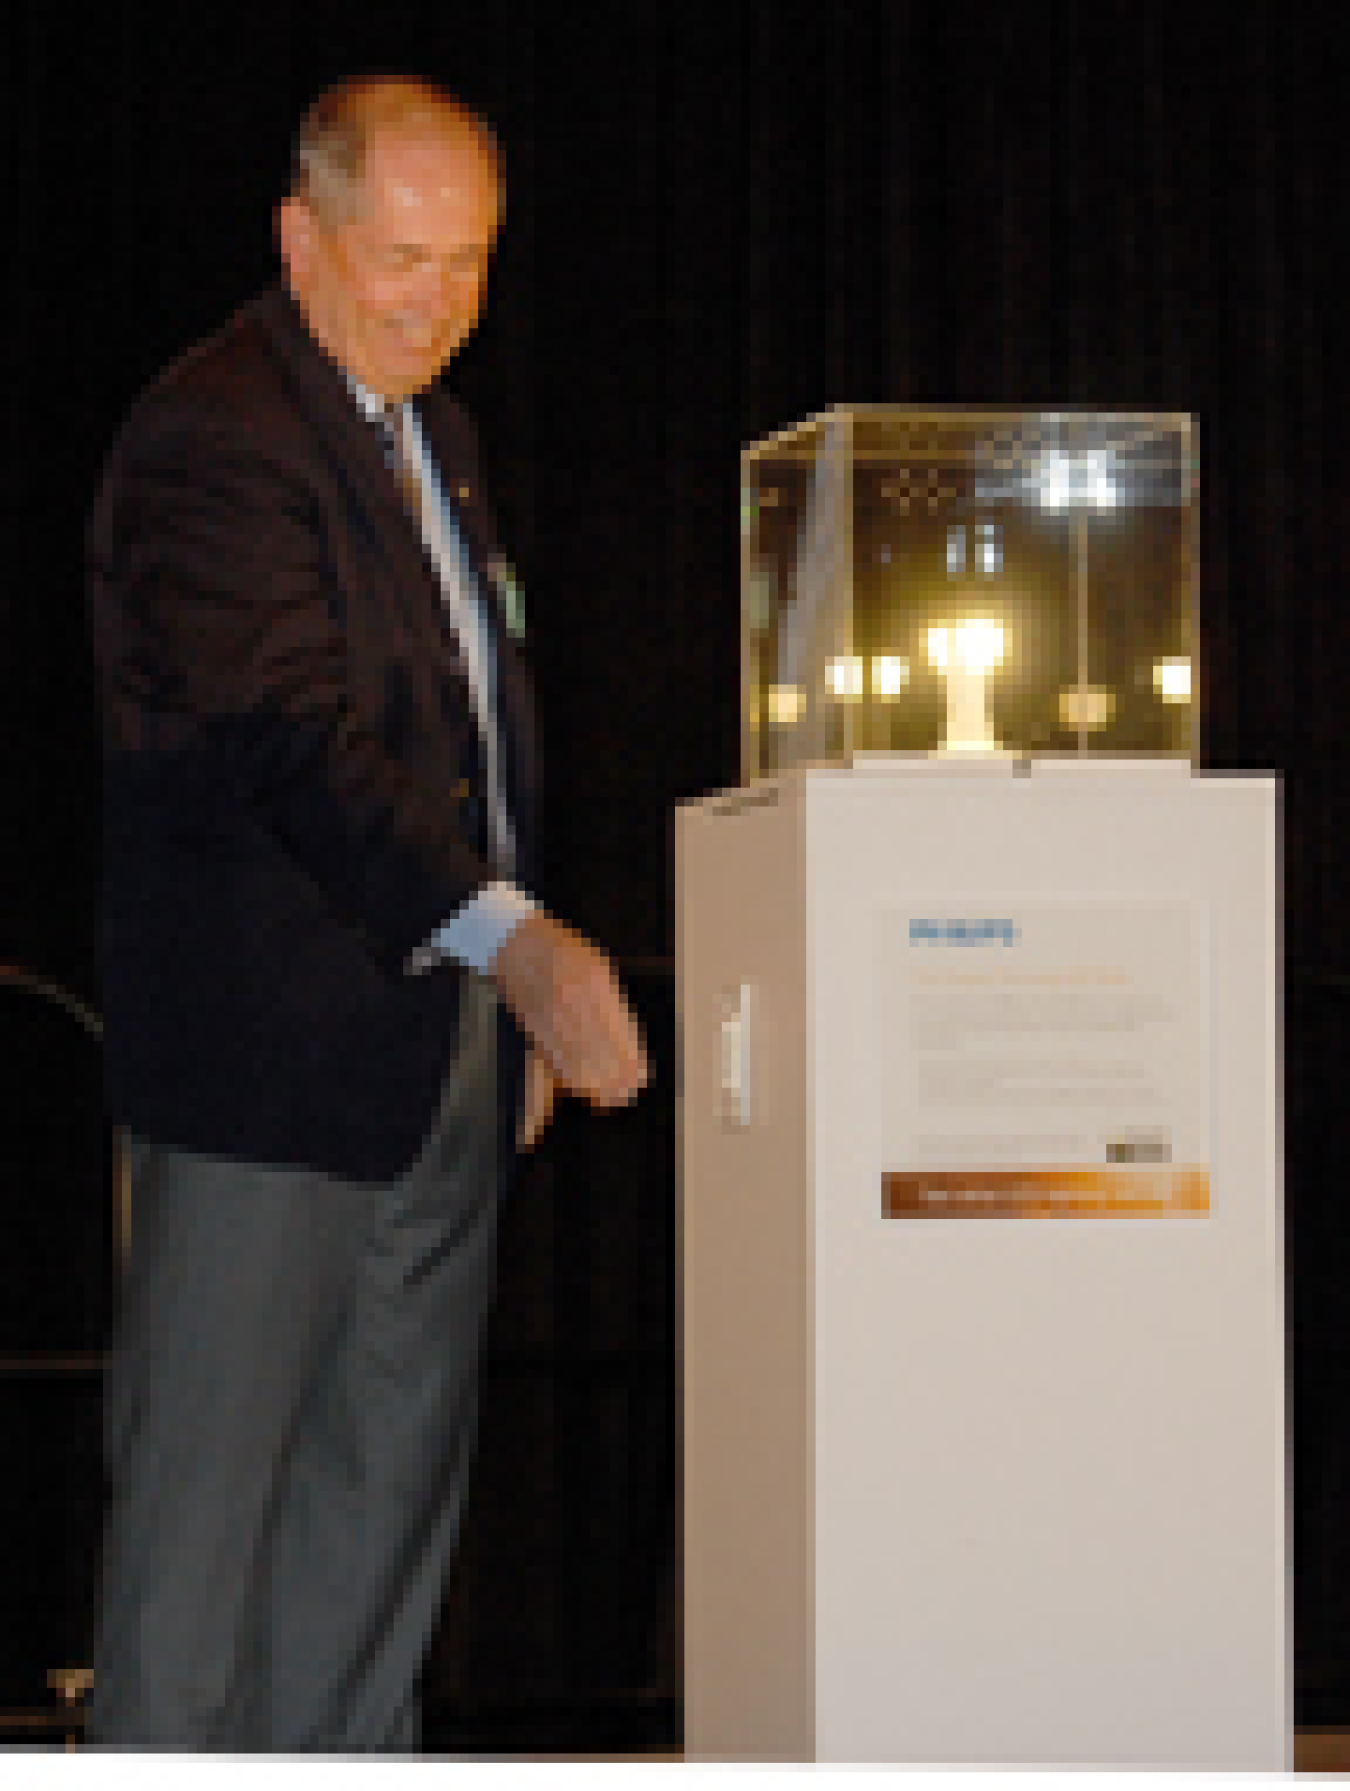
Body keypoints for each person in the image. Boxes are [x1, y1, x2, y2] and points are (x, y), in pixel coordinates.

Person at [83, 74, 648, 1752]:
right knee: (208, 1536)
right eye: (402, 257)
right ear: (299, 237)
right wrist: (522, 947)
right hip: (262, 1082)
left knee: (380, 1519)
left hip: (433, 1064)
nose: (438, 302)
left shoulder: (437, 439)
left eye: (469, 263)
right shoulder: (216, 430)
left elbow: (462, 744)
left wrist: (495, 1004)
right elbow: (293, 739)